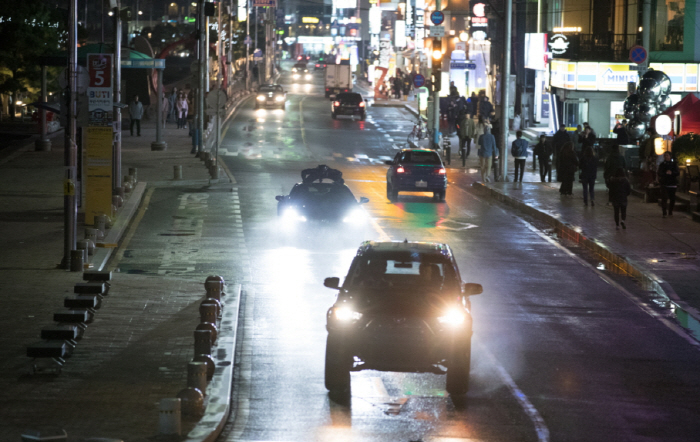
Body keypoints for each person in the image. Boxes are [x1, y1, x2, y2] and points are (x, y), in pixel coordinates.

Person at [657, 151, 680, 217]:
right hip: (664, 183)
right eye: (665, 156)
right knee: (664, 198)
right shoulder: (662, 164)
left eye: (667, 155)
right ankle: (664, 212)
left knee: (672, 198)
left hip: (672, 183)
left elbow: (677, 172)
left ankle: (670, 211)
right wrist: (665, 173)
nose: (666, 157)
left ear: (670, 156)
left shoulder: (674, 164)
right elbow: (659, 173)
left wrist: (671, 173)